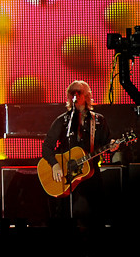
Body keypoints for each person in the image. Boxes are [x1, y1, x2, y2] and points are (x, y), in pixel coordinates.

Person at [41, 80, 117, 226]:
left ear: (87, 96)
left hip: (92, 176)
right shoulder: (63, 121)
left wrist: (113, 145)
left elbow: (107, 142)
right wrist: (55, 165)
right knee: (66, 219)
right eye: (71, 93)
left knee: (96, 217)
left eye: (79, 92)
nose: (74, 95)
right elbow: (47, 147)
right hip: (67, 178)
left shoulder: (98, 120)